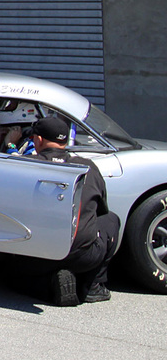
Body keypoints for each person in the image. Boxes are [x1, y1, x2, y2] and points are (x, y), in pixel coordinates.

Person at [26, 114, 119, 305]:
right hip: (82, 255)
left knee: (16, 277)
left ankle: (49, 285)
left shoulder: (25, 165)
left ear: (39, 139)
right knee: (111, 219)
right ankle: (93, 286)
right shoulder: (88, 167)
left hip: (36, 253)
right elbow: (101, 210)